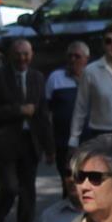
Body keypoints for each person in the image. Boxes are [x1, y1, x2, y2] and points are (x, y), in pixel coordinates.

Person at [0, 36, 51, 222]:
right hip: (3, 142)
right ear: (10, 56)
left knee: (28, 193)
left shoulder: (37, 78)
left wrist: (50, 147)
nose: (22, 59)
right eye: (18, 54)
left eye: (26, 55)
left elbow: (42, 114)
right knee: (9, 188)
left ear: (32, 56)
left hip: (30, 142)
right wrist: (18, 110)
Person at [41, 40, 90, 175]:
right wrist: (49, 146)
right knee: (69, 181)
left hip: (89, 142)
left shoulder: (93, 77)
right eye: (70, 56)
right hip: (63, 142)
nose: (72, 60)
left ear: (86, 59)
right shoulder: (56, 78)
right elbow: (46, 113)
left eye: (77, 56)